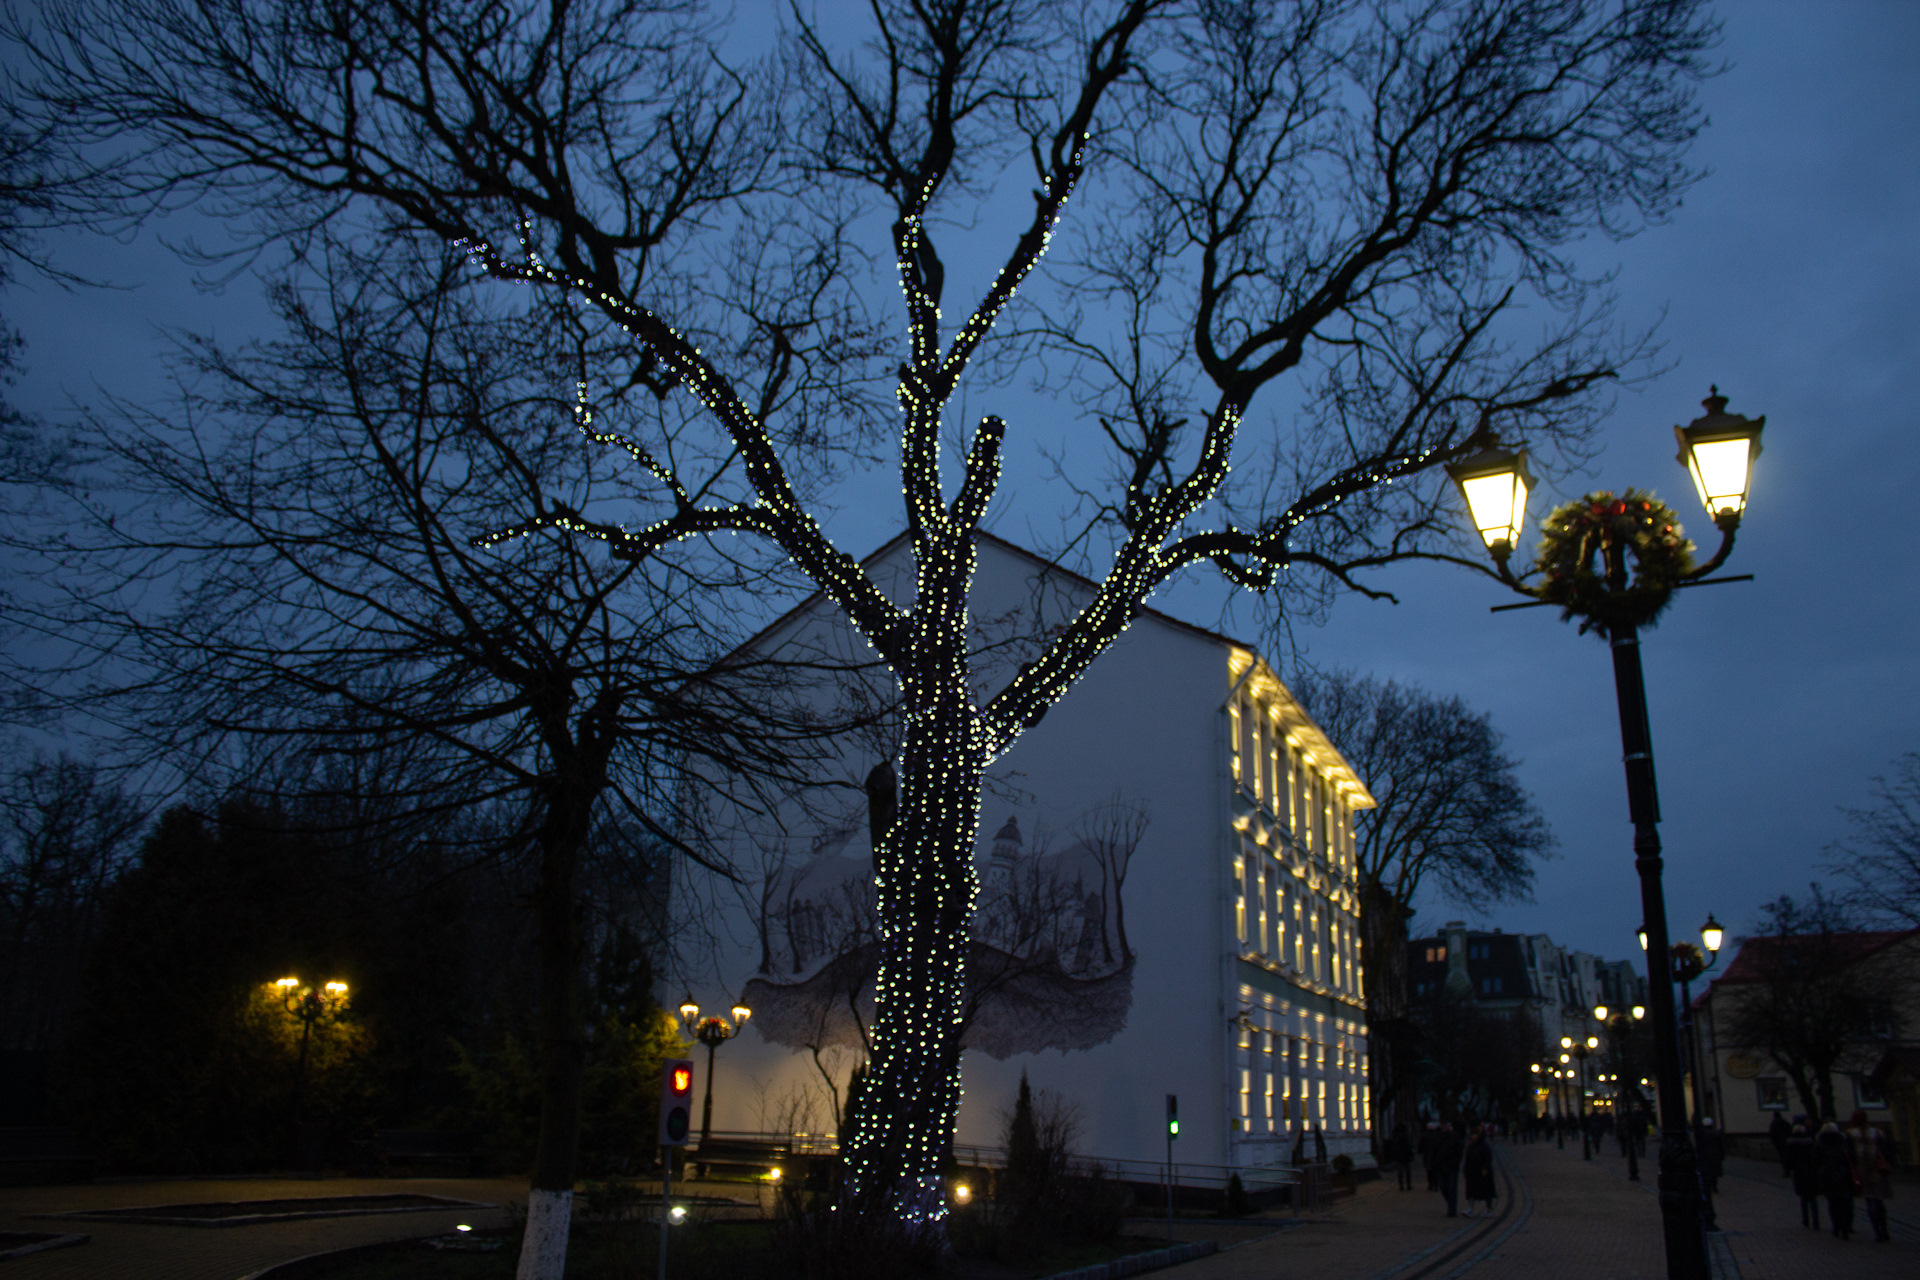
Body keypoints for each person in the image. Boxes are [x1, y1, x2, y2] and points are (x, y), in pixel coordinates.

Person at [1843, 1109, 1895, 1243]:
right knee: (1879, 1201)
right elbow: (1886, 1150)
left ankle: (1878, 1231)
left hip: (1862, 1172)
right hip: (1877, 1170)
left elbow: (1849, 1155)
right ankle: (1884, 1230)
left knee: (1870, 1202)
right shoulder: (1877, 1132)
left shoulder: (1850, 1134)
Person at [1814, 1121, 1856, 1240]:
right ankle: (1846, 1227)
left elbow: (1816, 1161)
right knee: (1846, 1202)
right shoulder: (1843, 1142)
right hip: (1844, 1175)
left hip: (1827, 1176)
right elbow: (1852, 1157)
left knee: (1833, 1203)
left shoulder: (1820, 1143)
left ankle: (1837, 1227)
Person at [1786, 1117, 1820, 1230]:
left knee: (1803, 1198)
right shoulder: (1810, 1143)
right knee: (1813, 1199)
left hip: (1799, 1173)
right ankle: (1816, 1221)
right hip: (1810, 1172)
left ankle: (1806, 1220)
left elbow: (1789, 1161)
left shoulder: (1791, 1144)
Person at [1462, 1125, 1497, 1218]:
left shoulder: (1484, 1147)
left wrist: (1485, 1169)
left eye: (1475, 1135)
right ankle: (1470, 1209)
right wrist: (1465, 1172)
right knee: (1471, 1192)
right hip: (1472, 1172)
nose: (1473, 1137)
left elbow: (1487, 1159)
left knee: (1486, 1192)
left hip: (1482, 1173)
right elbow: (1467, 1160)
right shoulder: (1470, 1147)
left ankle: (1489, 1209)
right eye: (1472, 1135)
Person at [1435, 1122, 1465, 1218]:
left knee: (1452, 1188)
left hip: (1452, 1166)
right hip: (1441, 1166)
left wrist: (1456, 1162)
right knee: (1443, 1187)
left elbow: (1459, 1150)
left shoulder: (1455, 1136)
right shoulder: (1438, 1136)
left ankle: (1452, 1209)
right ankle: (1451, 1203)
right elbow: (1434, 1149)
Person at [1694, 1117, 1725, 1195]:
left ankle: (1708, 1185)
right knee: (1714, 1172)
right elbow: (1720, 1145)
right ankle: (1714, 1186)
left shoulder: (1701, 1134)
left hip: (1704, 1155)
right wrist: (1722, 1155)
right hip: (1715, 1155)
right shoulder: (1716, 1134)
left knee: (1706, 1171)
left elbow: (1698, 1146)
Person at [1386, 1123, 1415, 1191]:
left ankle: (1401, 1185)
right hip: (1405, 1156)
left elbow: (1394, 1147)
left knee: (1400, 1171)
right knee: (1407, 1171)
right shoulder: (1405, 1137)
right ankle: (1408, 1185)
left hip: (1399, 1156)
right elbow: (1408, 1147)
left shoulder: (1395, 1137)